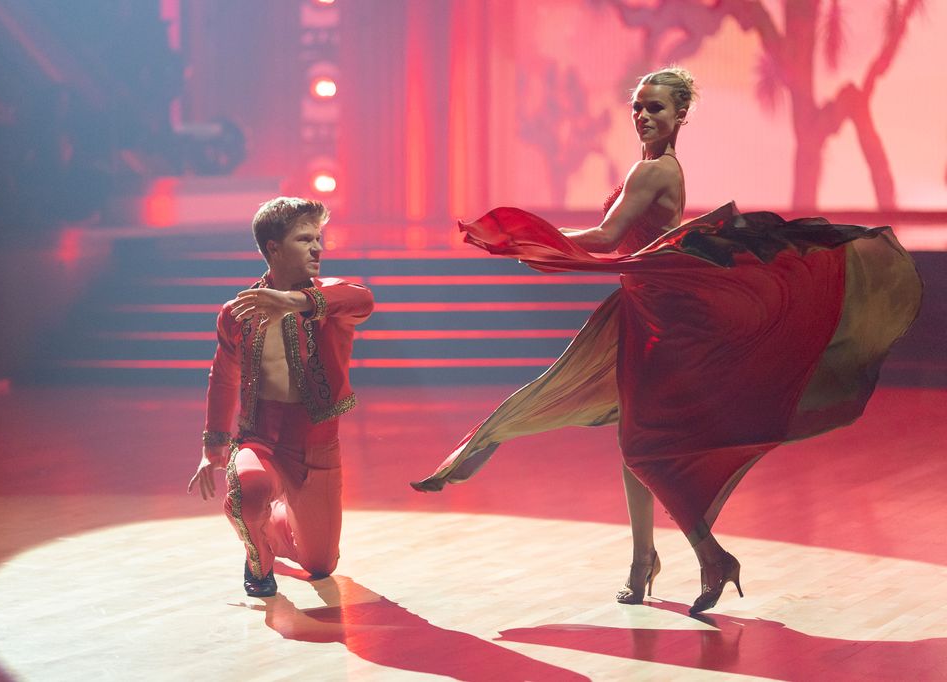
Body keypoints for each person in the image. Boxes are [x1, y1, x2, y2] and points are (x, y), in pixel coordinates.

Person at [411, 67, 921, 614]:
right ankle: (643, 561)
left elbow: (608, 238)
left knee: (645, 445)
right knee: (636, 437)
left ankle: (708, 555)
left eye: (655, 108)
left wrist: (534, 242)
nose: (643, 116)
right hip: (645, 308)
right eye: (637, 106)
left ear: (681, 115)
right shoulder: (659, 169)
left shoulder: (651, 172)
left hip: (666, 318)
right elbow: (624, 244)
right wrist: (542, 247)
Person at [189, 197, 374, 597]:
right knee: (249, 490)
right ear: (273, 247)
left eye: (318, 238)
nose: (317, 248)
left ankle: (273, 522)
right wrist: (214, 446)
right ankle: (258, 560)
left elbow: (364, 300)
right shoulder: (237, 311)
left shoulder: (329, 299)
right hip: (261, 438)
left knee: (320, 566)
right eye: (304, 238)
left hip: (317, 446)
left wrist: (295, 302)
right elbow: (223, 376)